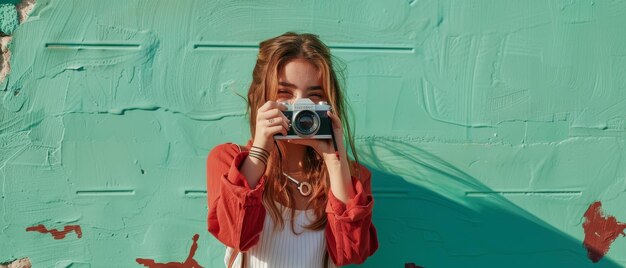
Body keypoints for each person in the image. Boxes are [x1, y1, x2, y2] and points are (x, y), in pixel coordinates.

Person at [206, 32, 378, 268]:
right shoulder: (229, 161)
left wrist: (334, 160)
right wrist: (259, 150)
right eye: (285, 93)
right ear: (261, 98)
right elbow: (235, 236)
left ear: (329, 102)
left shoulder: (351, 177)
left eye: (314, 95)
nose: (300, 106)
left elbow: (351, 254)